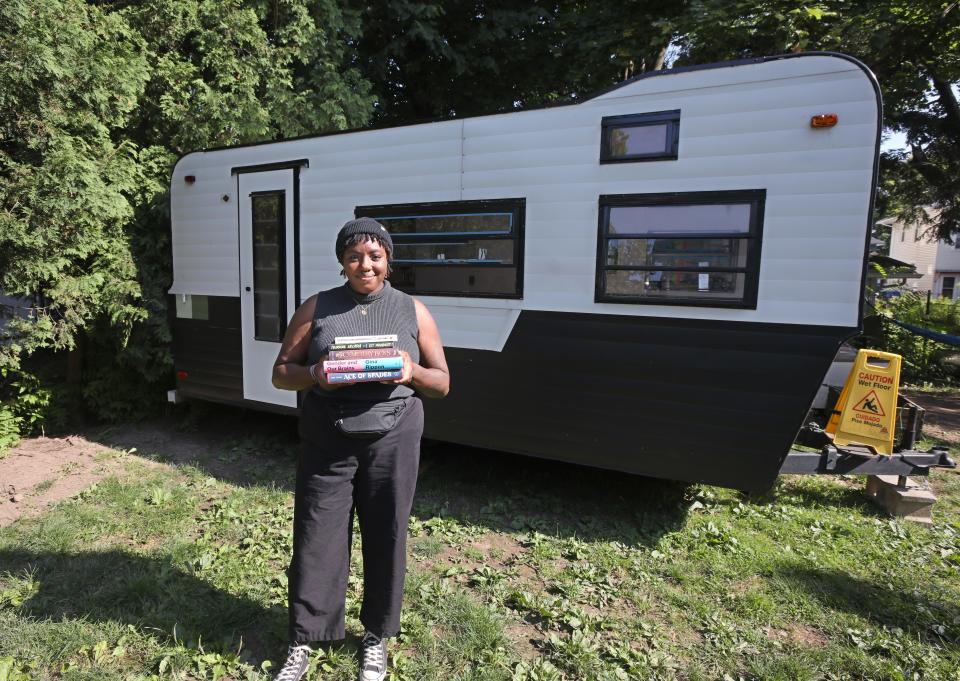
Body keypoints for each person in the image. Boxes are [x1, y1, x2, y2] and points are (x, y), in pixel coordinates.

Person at [270, 217, 450, 681]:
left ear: (388, 260)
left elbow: (442, 383)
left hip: (394, 437)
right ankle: (305, 637)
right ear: (342, 262)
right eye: (354, 256)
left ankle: (376, 636)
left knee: (386, 532)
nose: (364, 264)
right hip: (327, 438)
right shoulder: (318, 308)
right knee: (315, 536)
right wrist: (314, 375)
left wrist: (410, 371)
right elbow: (281, 371)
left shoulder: (412, 310)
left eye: (374, 256)